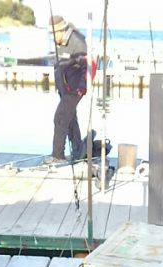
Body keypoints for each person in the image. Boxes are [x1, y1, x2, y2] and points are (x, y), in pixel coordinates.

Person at [48, 15, 90, 163]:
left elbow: (85, 67)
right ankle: (78, 149)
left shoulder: (77, 41)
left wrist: (81, 87)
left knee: (59, 118)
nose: (53, 37)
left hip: (74, 88)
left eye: (54, 34)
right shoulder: (59, 42)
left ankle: (57, 155)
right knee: (70, 118)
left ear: (62, 30)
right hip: (64, 87)